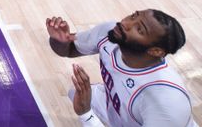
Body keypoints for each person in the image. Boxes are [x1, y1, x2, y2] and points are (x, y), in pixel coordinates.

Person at [46, 12, 196, 126]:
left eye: (139, 29)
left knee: (84, 106)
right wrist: (60, 41)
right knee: (74, 93)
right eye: (133, 16)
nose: (125, 23)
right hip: (120, 112)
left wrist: (86, 114)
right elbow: (70, 50)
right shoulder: (109, 32)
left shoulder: (166, 101)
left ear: (155, 51)